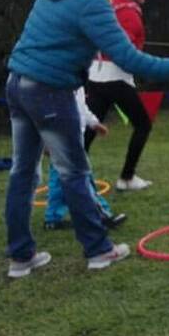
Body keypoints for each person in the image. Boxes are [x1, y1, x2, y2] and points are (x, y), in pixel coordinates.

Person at [4, 0, 169, 278]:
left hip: (17, 83)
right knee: (74, 171)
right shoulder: (93, 2)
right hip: (50, 90)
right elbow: (128, 57)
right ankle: (99, 251)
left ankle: (20, 257)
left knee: (23, 172)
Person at [84, 0, 156, 191]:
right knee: (143, 124)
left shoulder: (110, 7)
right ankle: (126, 177)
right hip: (116, 77)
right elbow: (123, 52)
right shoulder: (130, 14)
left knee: (90, 127)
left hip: (96, 75)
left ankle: (71, 171)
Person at [43, 87, 126, 230]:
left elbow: (81, 107)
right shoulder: (57, 80)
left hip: (74, 136)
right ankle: (102, 215)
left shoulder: (77, 82)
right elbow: (45, 110)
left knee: (58, 179)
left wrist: (93, 123)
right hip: (62, 138)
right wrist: (46, 141)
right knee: (83, 177)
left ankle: (53, 218)